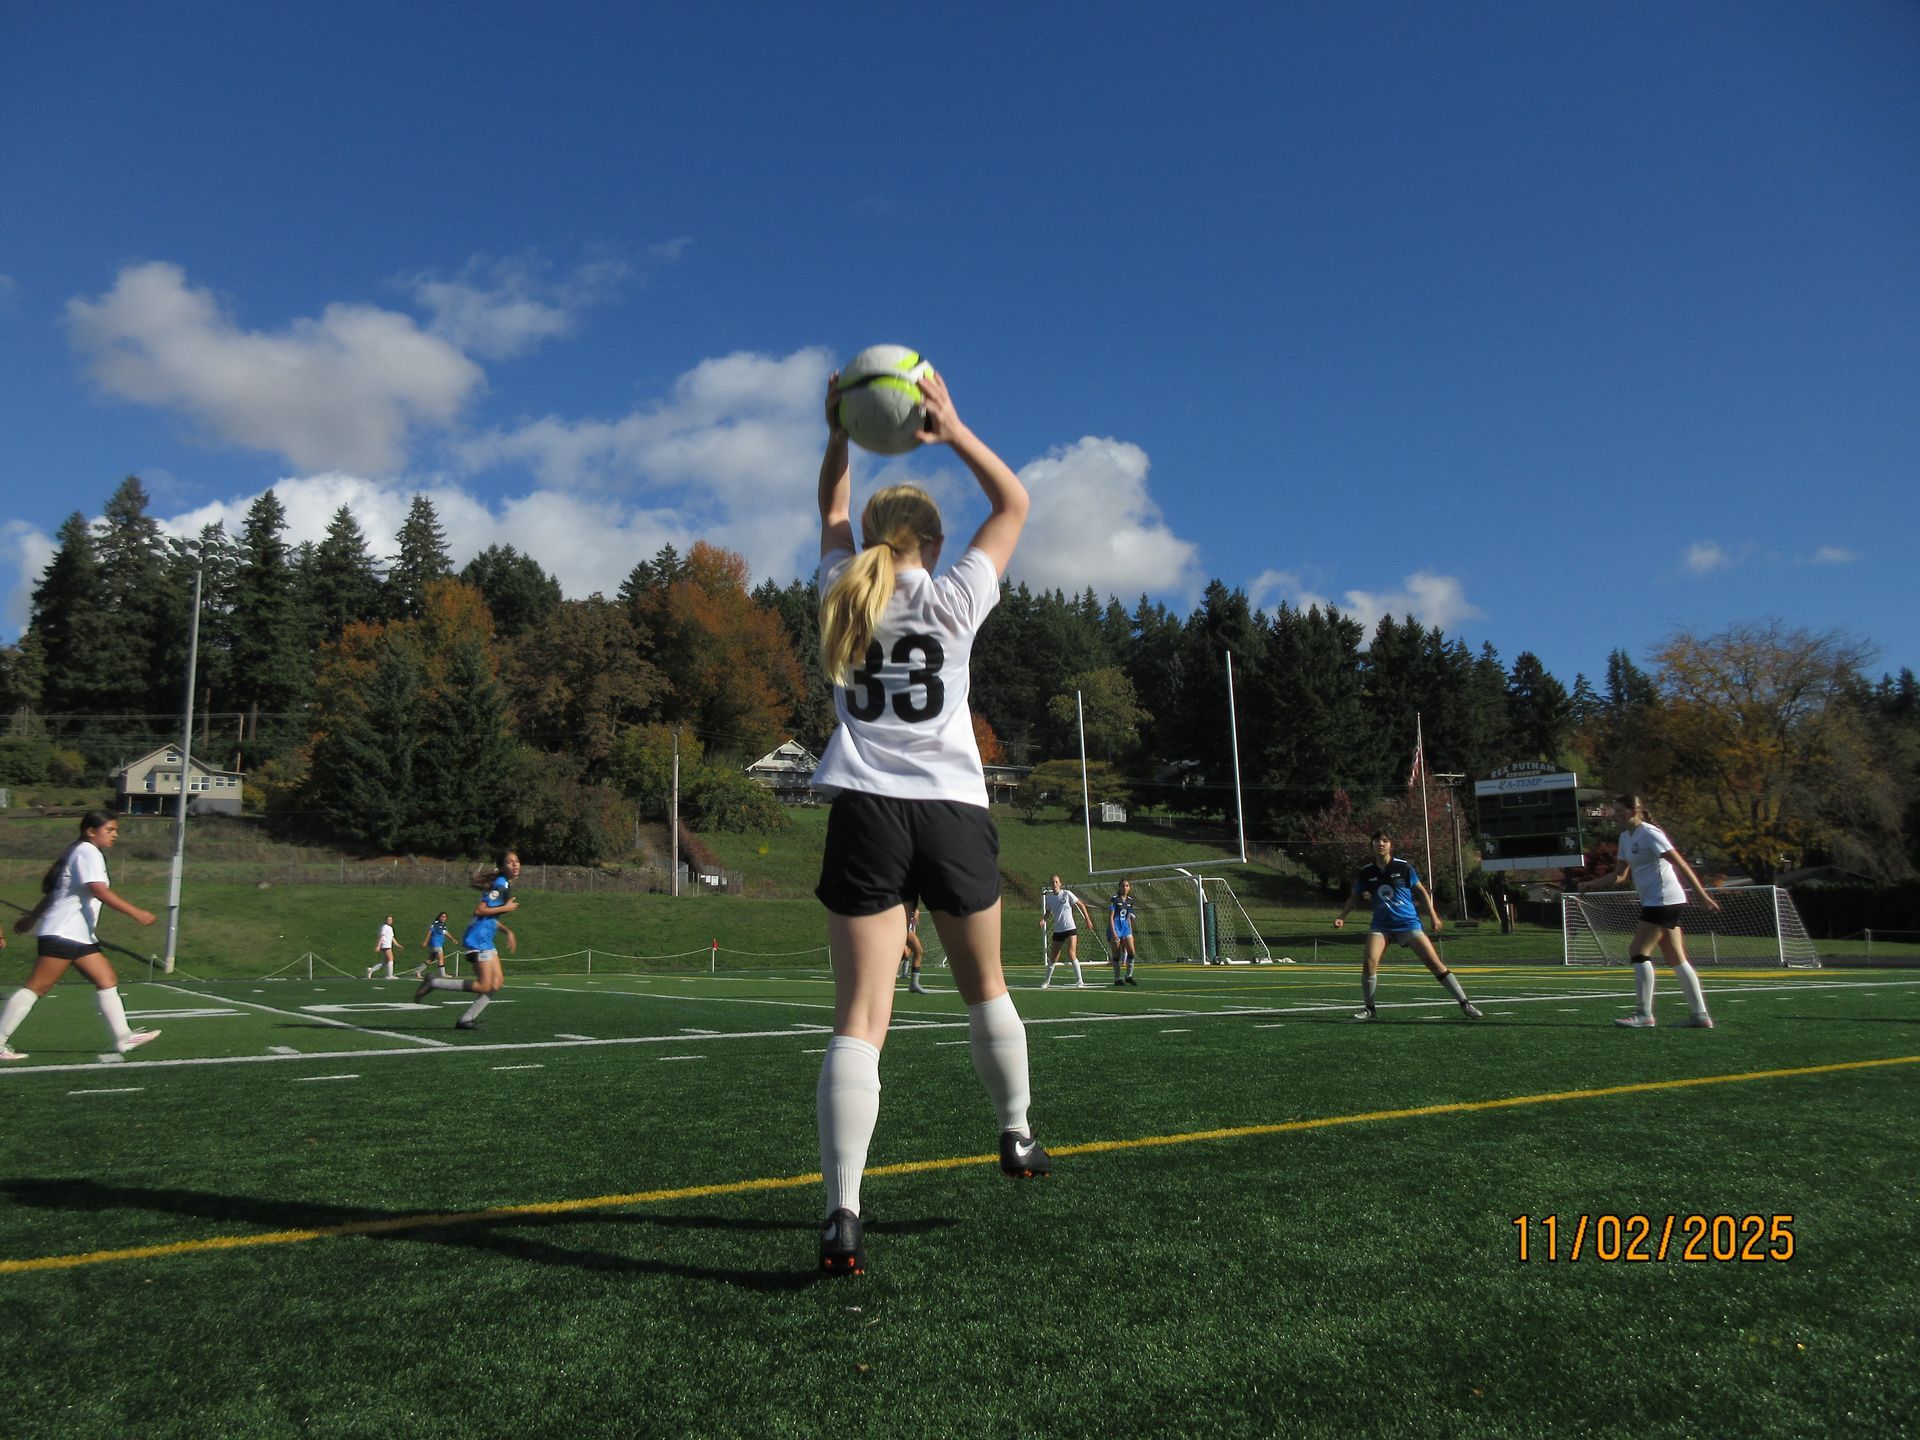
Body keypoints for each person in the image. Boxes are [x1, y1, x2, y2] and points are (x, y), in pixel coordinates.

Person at [809, 364, 1043, 1276]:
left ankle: (842, 1212)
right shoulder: (953, 600)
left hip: (866, 812)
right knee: (986, 989)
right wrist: (955, 426)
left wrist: (840, 428)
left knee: (860, 1018)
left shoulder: (842, 587)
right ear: (934, 543)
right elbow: (1015, 500)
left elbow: (831, 502)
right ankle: (1016, 1133)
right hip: (951, 812)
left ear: (870, 539)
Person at [0, 811, 161, 1061]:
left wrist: (32, 917)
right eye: (110, 830)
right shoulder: (87, 852)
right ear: (91, 831)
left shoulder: (81, 852)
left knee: (107, 979)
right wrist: (136, 912)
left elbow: (57, 893)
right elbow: (97, 890)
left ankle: (124, 1036)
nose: (115, 835)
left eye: (116, 830)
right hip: (64, 934)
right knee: (37, 988)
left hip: (80, 936)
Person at [1577, 795, 1721, 1029]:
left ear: (1634, 811)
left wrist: (1703, 896)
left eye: (1620, 811)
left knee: (1637, 950)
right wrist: (1591, 884)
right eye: (1614, 812)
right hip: (1657, 901)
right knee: (1675, 957)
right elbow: (1619, 875)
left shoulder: (1650, 833)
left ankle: (1644, 1014)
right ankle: (1701, 1016)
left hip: (1664, 900)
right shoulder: (1625, 837)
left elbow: (1681, 864)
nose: (1616, 816)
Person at [1333, 831, 1482, 1022]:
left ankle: (1465, 1003)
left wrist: (1434, 917)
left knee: (1434, 964)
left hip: (1408, 923)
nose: (1381, 844)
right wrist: (1342, 916)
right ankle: (1369, 1009)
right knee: (1369, 963)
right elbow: (1355, 896)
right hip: (1381, 925)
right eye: (1377, 841)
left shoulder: (1403, 867)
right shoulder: (1367, 872)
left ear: (1391, 845)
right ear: (1372, 845)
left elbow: (1421, 892)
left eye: (1385, 841)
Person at [415, 852, 520, 1030]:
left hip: (486, 940)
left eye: (517, 861)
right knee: (485, 985)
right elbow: (479, 911)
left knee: (497, 982)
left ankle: (466, 1019)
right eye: (510, 862)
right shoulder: (501, 885)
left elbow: (490, 918)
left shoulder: (504, 884)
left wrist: (507, 931)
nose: (515, 864)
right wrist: (506, 907)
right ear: (502, 867)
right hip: (478, 940)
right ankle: (434, 982)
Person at [1040, 874, 1094, 988]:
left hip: (1070, 928)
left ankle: (1080, 980)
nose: (1054, 884)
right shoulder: (1049, 898)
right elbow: (1048, 913)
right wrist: (1043, 920)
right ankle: (1046, 981)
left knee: (1071, 953)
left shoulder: (1067, 894)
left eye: (1056, 882)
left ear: (1060, 883)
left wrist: (1087, 919)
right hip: (1058, 930)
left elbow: (1081, 904)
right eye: (1052, 882)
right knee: (1053, 956)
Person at [1107, 878, 1139, 985]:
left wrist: (1130, 931)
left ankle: (1128, 976)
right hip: (1116, 927)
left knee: (1132, 952)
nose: (1124, 888)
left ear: (1129, 888)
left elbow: (1128, 917)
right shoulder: (1115, 899)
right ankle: (1117, 979)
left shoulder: (1130, 900)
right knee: (1116, 954)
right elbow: (1111, 917)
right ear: (1119, 887)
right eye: (1123, 886)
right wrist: (1114, 932)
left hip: (1125, 928)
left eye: (1126, 886)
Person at [897, 902, 929, 995]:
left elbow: (914, 923)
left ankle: (914, 983)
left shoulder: (915, 910)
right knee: (905, 954)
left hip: (908, 930)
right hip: (900, 928)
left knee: (917, 951)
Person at [414, 911, 452, 981]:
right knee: (441, 958)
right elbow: (430, 932)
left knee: (430, 959)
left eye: (445, 917)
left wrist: (452, 939)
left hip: (436, 944)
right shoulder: (436, 924)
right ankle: (442, 974)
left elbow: (446, 932)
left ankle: (418, 971)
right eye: (442, 917)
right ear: (439, 917)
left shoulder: (443, 925)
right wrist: (426, 941)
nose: (444, 918)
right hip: (435, 943)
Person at [366, 915, 403, 979]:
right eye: (388, 920)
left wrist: (397, 944)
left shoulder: (390, 928)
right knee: (391, 959)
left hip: (388, 945)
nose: (389, 921)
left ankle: (371, 970)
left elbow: (392, 937)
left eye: (391, 920)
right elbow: (382, 936)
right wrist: (378, 946)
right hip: (385, 945)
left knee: (385, 962)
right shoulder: (384, 927)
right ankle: (390, 975)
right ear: (385, 920)